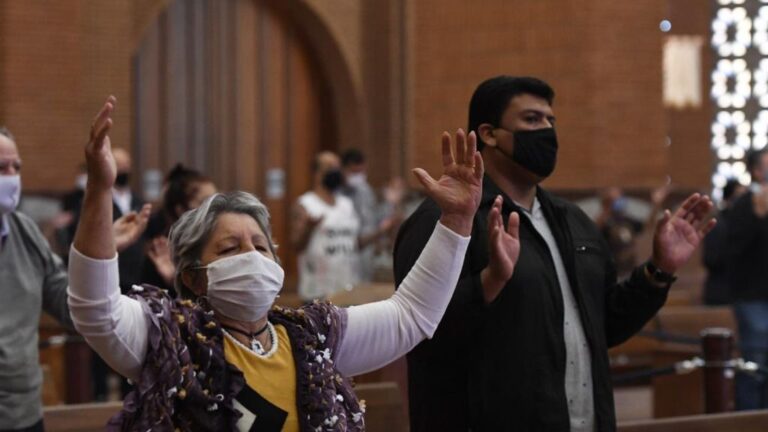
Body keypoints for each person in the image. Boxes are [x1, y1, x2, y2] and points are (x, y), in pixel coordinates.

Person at [67, 96, 506, 431]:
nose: (252, 258)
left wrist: (455, 222)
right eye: (229, 248)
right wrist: (100, 192)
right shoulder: (168, 341)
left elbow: (412, 315)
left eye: (261, 246)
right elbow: (96, 309)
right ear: (193, 278)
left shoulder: (310, 340)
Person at [394, 76, 716, 431]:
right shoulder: (445, 220)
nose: (546, 131)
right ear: (488, 134)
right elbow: (419, 335)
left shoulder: (573, 220)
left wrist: (659, 269)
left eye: (551, 121)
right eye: (532, 120)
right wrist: (488, 283)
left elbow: (603, 324)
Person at [0, 126, 145, 430]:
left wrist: (98, 251)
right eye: (2, 168)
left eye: (16, 167)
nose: (11, 177)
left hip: (22, 414)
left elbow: (72, 306)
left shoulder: (23, 231)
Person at [292, 151, 392, 301]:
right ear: (317, 173)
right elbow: (296, 245)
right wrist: (309, 227)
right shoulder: (305, 204)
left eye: (337, 167)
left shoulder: (346, 204)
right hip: (317, 293)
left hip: (347, 290)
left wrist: (381, 231)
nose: (336, 172)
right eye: (330, 167)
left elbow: (355, 244)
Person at [726, 149, 768, 410]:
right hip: (752, 298)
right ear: (756, 171)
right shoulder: (743, 205)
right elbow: (732, 251)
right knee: (755, 366)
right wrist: (758, 216)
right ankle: (748, 422)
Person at [140, 164, 217, 293]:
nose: (215, 208)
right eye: (204, 202)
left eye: (216, 200)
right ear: (181, 209)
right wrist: (174, 280)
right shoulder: (162, 250)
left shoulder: (216, 241)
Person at [702, 178, 746, 306]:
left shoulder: (746, 224)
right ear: (728, 200)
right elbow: (710, 259)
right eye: (739, 197)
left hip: (742, 294)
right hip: (720, 293)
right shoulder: (718, 224)